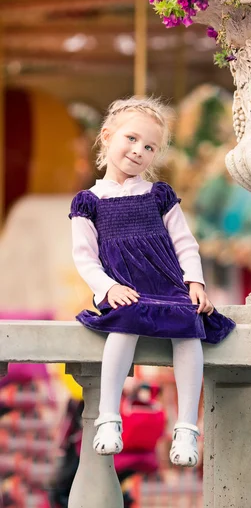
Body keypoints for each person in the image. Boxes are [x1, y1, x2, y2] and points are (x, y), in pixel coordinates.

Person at [68, 96, 235, 467]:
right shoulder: (89, 202)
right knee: (124, 328)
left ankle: (187, 427)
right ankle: (109, 419)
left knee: (189, 330)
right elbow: (85, 256)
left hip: (167, 285)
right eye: (130, 139)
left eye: (149, 147)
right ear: (107, 136)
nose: (138, 151)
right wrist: (108, 288)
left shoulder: (158, 195)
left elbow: (185, 243)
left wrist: (195, 282)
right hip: (126, 287)